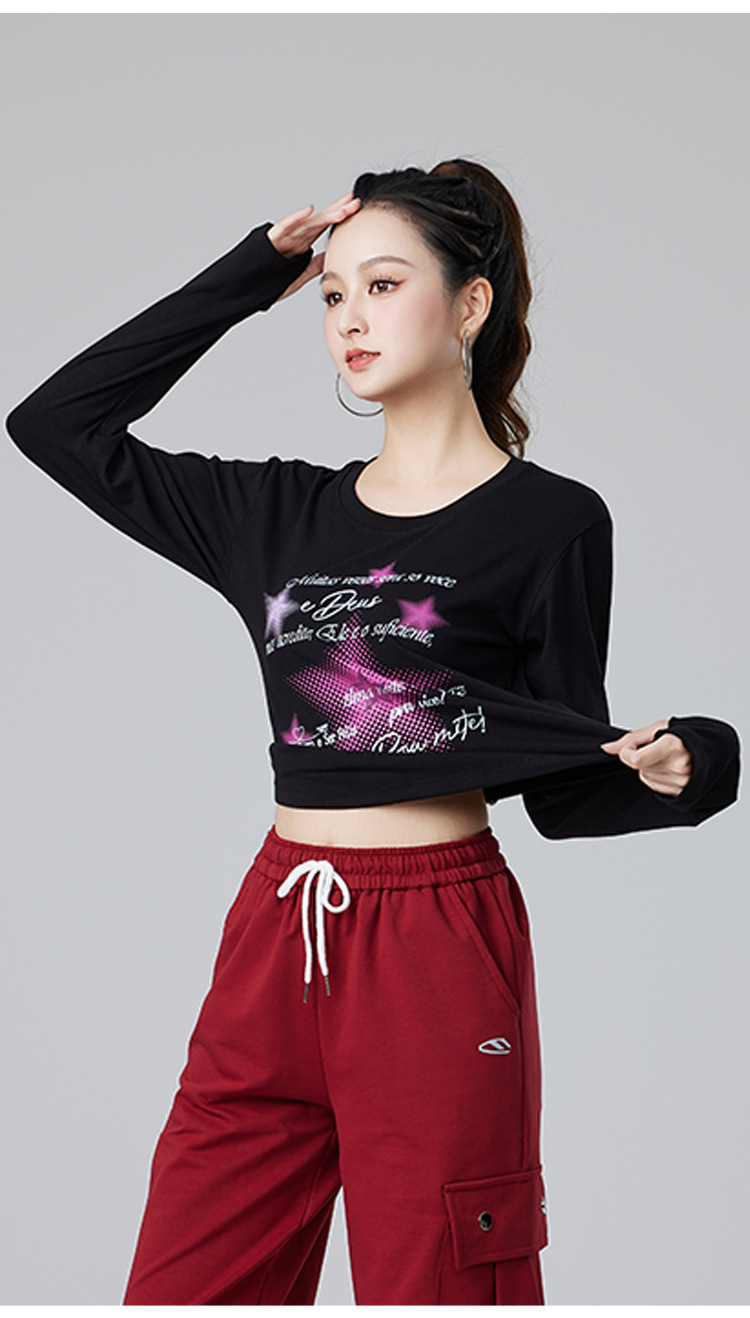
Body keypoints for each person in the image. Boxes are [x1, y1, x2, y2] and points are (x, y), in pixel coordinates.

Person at [5, 159, 739, 1306]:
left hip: (436, 948)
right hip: (277, 930)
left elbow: (563, 786)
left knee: (442, 1287)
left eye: (384, 285)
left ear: (470, 304)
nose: (349, 317)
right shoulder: (273, 515)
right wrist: (252, 274)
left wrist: (695, 762)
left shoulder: (551, 523)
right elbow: (55, 423)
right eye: (335, 293)